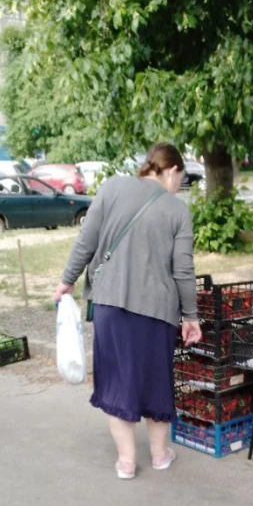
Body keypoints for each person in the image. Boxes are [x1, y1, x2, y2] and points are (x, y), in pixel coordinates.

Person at [53, 143, 202, 480]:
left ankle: (126, 461)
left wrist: (66, 282)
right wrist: (191, 317)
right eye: (182, 178)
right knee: (156, 381)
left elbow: (85, 242)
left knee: (118, 380)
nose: (180, 186)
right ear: (172, 170)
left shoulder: (111, 188)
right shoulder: (177, 211)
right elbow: (183, 271)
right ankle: (161, 455)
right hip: (158, 311)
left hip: (110, 304)